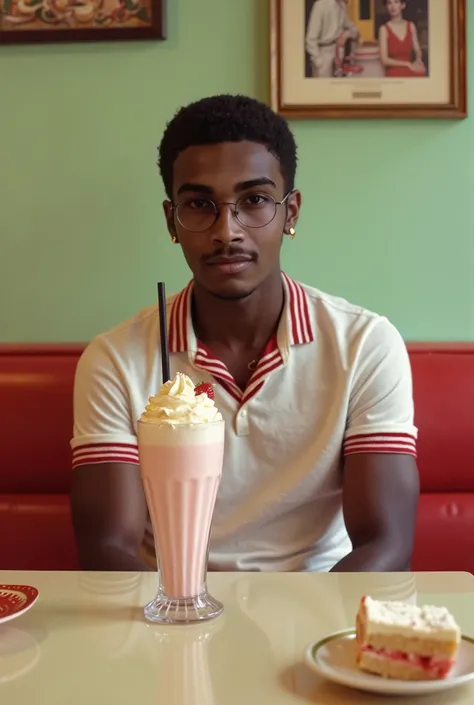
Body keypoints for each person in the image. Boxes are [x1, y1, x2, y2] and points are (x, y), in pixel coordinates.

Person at [70, 94, 420, 573]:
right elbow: (108, 547)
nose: (226, 231)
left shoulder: (364, 345)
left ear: (290, 213)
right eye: (199, 205)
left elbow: (386, 542)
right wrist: (183, 625)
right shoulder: (115, 359)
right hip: (167, 611)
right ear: (172, 221)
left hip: (316, 609)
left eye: (254, 200)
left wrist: (307, 637)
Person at [306, 0, 361, 78]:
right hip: (323, 55)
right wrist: (318, 61)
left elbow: (355, 30)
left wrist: (347, 34)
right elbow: (311, 38)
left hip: (338, 55)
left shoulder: (342, 6)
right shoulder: (320, 5)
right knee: (323, 88)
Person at [379, 0, 426, 78]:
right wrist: (407, 64)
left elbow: (417, 49)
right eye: (389, 3)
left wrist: (418, 60)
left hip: (410, 67)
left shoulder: (411, 26)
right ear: (386, 7)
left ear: (403, 5)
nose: (393, 6)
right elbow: (384, 60)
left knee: (422, 72)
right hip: (394, 70)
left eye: (396, 2)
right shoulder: (383, 29)